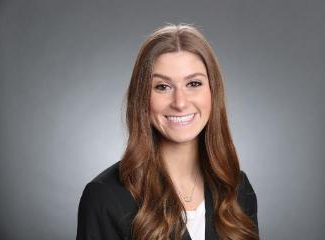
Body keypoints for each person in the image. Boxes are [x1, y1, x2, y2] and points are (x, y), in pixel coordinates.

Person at [76, 24, 259, 240]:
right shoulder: (105, 197)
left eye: (193, 83)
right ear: (142, 97)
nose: (180, 103)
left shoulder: (235, 187)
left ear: (213, 92)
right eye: (162, 87)